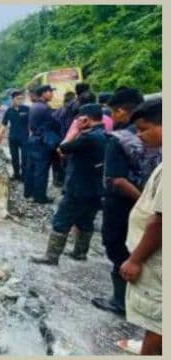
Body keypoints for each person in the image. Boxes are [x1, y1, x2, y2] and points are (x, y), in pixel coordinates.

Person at [91, 89, 160, 316]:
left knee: (119, 250)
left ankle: (121, 301)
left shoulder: (118, 139)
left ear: (121, 110)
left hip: (125, 207)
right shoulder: (155, 137)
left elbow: (117, 180)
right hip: (151, 208)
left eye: (113, 111)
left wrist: (145, 203)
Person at [30, 104, 107, 265]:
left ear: (86, 118)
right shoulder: (105, 135)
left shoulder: (88, 138)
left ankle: (51, 256)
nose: (77, 121)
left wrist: (75, 129)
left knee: (61, 221)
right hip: (96, 188)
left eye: (79, 118)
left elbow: (62, 148)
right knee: (86, 221)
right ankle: (80, 252)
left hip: (77, 187)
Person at [119, 98, 162, 355]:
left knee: (158, 317)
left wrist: (135, 259)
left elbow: (162, 221)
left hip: (156, 260)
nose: (140, 136)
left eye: (144, 128)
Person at [24, 84, 60, 203]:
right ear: (44, 93)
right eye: (50, 92)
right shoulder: (44, 108)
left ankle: (29, 192)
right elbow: (55, 123)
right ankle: (40, 197)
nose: (52, 94)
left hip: (34, 139)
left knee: (32, 168)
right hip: (42, 142)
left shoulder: (34, 106)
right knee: (41, 170)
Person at [0, 90, 30, 181]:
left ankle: (24, 175)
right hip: (13, 138)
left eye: (21, 99)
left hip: (24, 138)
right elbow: (4, 125)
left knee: (25, 158)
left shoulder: (26, 109)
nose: (20, 100)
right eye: (18, 99)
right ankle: (16, 174)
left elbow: (31, 124)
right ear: (13, 99)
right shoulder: (9, 111)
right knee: (14, 157)